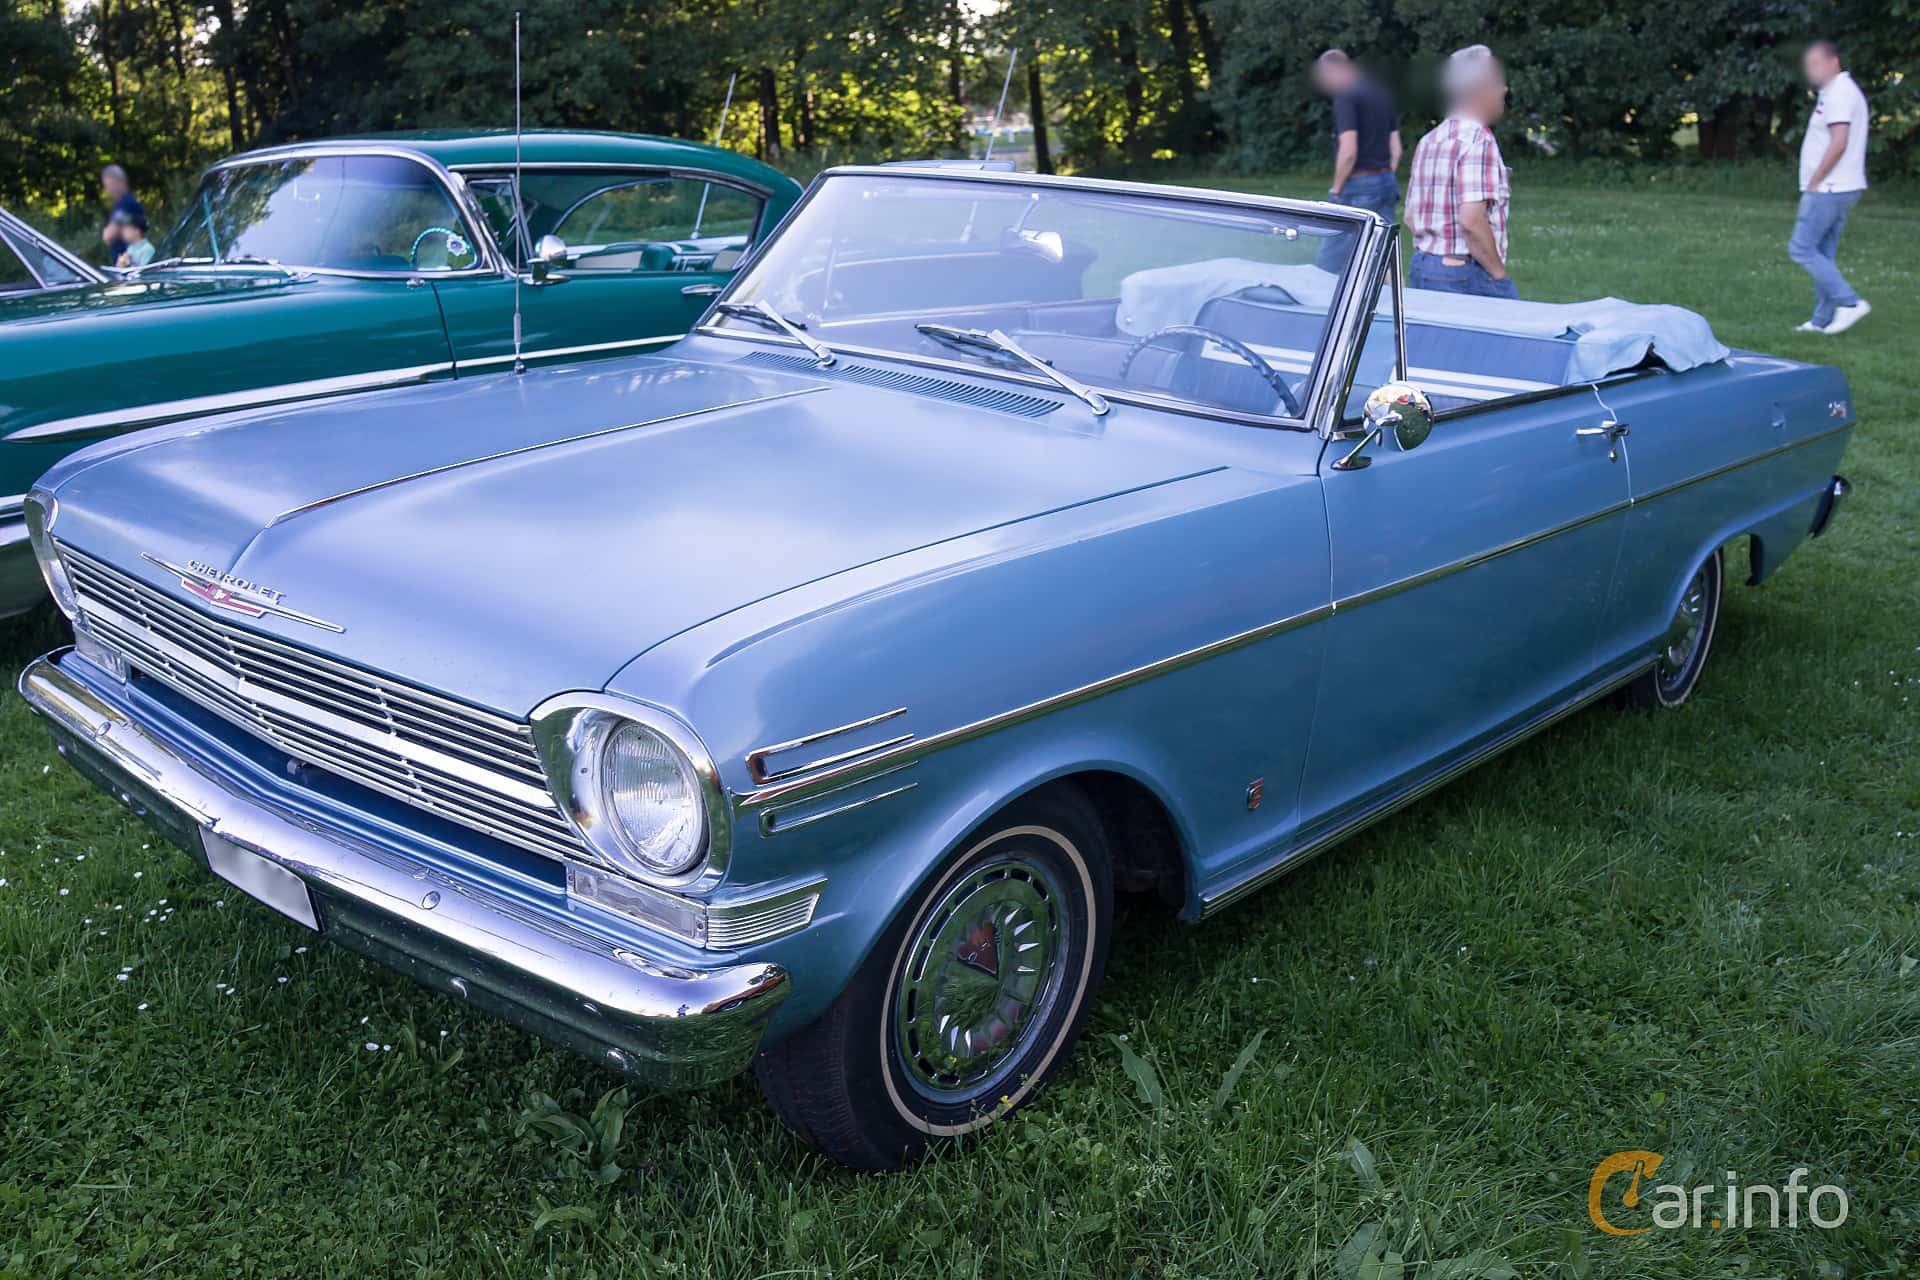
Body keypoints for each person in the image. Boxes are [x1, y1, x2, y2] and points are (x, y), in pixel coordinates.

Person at [1404, 45, 1515, 299]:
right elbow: (1472, 221)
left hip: (1423, 267)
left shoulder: (1429, 140)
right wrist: (1499, 276)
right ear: (1479, 90)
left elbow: (1411, 216)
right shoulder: (1478, 141)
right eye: (1497, 82)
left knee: (1430, 339)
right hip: (1464, 275)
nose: (1504, 89)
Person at [1790, 40, 1870, 334]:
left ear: (1833, 61)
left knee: (1801, 249)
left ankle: (1849, 303)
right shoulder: (1834, 93)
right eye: (1808, 65)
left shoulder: (1839, 93)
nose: (1811, 71)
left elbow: (1839, 141)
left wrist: (1815, 180)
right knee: (1822, 252)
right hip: (1838, 186)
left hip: (1830, 187)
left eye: (1816, 64)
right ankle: (1821, 319)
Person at [1312, 50, 1402, 224]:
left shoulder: (1346, 96)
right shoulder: (1381, 93)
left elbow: (1349, 151)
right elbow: (1396, 149)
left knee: (1337, 249)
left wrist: (1336, 190)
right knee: (1381, 247)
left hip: (1359, 185)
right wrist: (1385, 175)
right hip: (1387, 181)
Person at [99, 164, 145, 267]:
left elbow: (108, 235)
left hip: (129, 264)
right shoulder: (123, 205)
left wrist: (112, 229)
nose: (108, 191)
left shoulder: (126, 205)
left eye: (109, 185)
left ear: (118, 182)